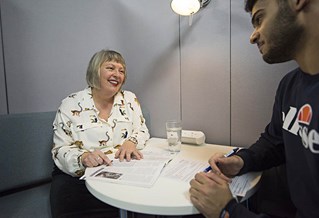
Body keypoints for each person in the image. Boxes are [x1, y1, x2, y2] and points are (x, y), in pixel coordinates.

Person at [189, 0, 319, 217]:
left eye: (259, 19)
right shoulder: (290, 85)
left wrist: (227, 211)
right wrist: (241, 161)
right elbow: (275, 142)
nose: (253, 36)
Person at [50, 49, 150, 218]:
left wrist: (131, 141)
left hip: (120, 173)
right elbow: (59, 149)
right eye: (111, 68)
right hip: (79, 179)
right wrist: (83, 158)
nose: (117, 74)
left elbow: (142, 130)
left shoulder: (130, 99)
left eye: (121, 70)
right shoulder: (71, 103)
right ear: (95, 71)